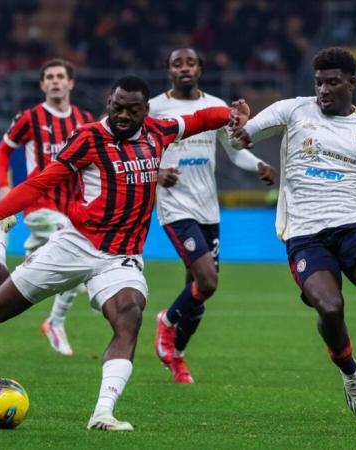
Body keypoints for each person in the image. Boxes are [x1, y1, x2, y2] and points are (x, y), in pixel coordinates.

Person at [0, 76, 250, 431]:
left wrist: (230, 114)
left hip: (120, 258)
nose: (122, 115)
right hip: (77, 245)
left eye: (132, 109)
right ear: (109, 102)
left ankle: (103, 413)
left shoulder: (160, 131)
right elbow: (39, 183)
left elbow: (202, 118)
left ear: (146, 110)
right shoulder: (88, 139)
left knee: (129, 315)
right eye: (117, 106)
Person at [231, 47, 356, 420]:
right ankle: (351, 374)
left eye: (333, 82)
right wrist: (237, 128)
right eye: (319, 82)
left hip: (352, 225)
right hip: (305, 233)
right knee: (330, 307)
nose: (323, 89)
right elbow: (242, 139)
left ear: (351, 84)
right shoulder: (292, 110)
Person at [150, 48, 276, 383]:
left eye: (190, 63)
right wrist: (157, 172)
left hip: (208, 208)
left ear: (200, 68)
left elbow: (234, 151)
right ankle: (166, 321)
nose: (184, 68)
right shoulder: (153, 109)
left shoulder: (216, 107)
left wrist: (258, 164)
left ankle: (177, 356)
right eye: (177, 64)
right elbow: (137, 151)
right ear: (169, 71)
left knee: (198, 292)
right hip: (175, 207)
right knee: (207, 279)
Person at [0, 58, 94, 362]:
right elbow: (3, 149)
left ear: (71, 83)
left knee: (33, 275)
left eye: (61, 76)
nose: (55, 81)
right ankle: (56, 322)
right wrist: (4, 188)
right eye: (49, 77)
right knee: (77, 250)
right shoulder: (31, 118)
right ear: (42, 84)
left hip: (72, 205)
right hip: (39, 203)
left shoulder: (85, 120)